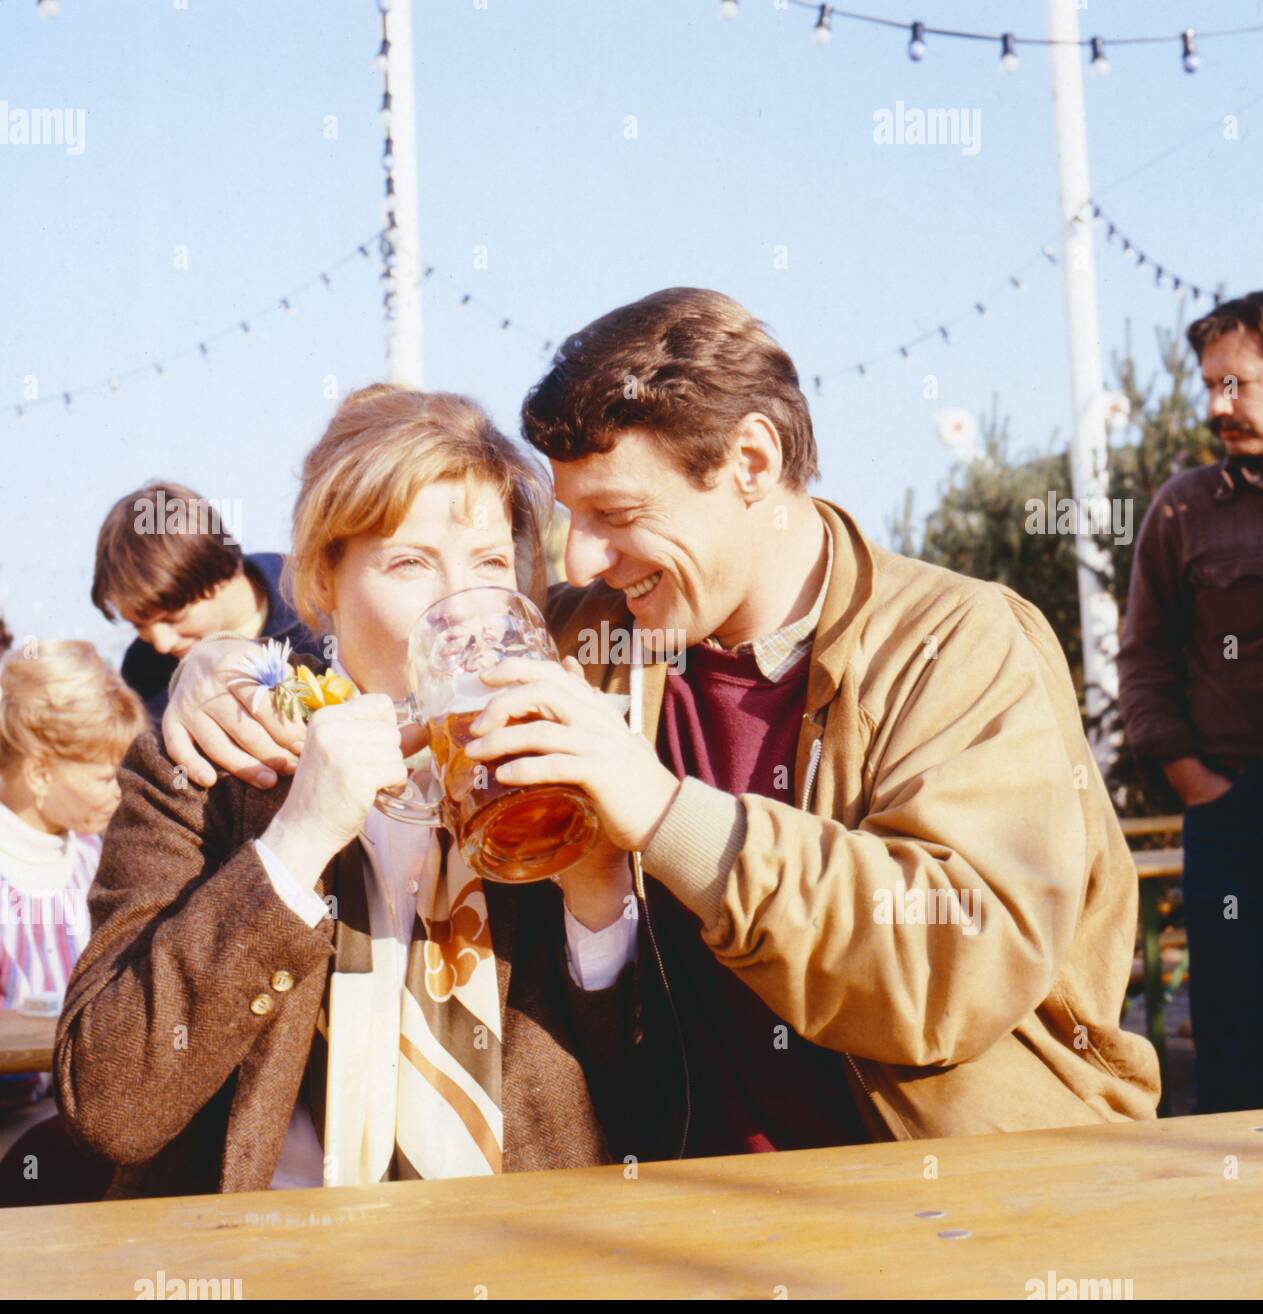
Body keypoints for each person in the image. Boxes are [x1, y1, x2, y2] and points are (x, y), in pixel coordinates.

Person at [162, 289, 1161, 1157]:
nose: (584, 559)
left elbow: (957, 964)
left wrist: (664, 811)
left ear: (751, 463)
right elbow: (384, 642)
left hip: (971, 1201)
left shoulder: (961, 645)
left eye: (617, 515)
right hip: (697, 1213)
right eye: (570, 520)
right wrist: (230, 665)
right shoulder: (594, 637)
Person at [56, 387, 650, 1200]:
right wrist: (294, 845)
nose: (462, 611)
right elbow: (111, 1107)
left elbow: (650, 1096)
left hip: (522, 1264)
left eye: (487, 566)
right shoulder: (207, 761)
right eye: (409, 563)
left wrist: (596, 888)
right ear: (320, 581)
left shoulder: (563, 763)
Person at [1119, 291, 1263, 1114]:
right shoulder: (1182, 509)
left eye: (1236, 384)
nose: (1217, 406)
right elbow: (1141, 664)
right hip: (1234, 817)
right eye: (1209, 385)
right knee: (1237, 1066)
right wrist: (1199, 787)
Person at [0, 641, 145, 1205]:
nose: (120, 792)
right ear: (38, 773)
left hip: (83, 1129)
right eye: (107, 776)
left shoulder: (96, 862)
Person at [91, 480, 323, 723]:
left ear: (219, 571)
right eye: (139, 625)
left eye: (173, 618)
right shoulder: (144, 670)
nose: (161, 643)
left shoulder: (322, 611)